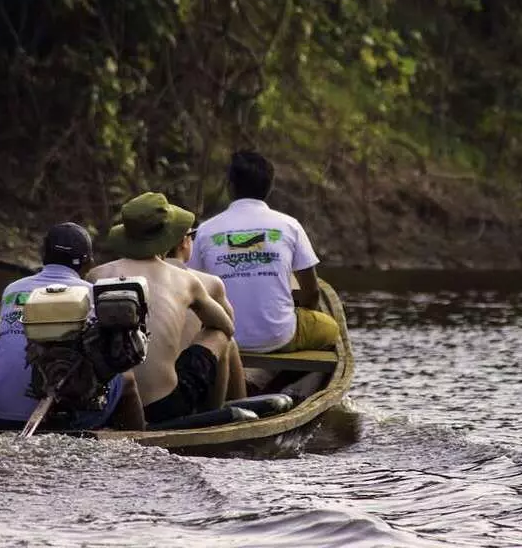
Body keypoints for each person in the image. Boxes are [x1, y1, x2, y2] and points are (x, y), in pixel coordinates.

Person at [187, 150, 340, 391]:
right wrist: (295, 309)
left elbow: (190, 288)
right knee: (331, 329)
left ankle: (238, 384)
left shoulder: (206, 230)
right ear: (269, 187)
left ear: (230, 186)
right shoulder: (289, 225)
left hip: (223, 335)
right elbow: (312, 293)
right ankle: (273, 387)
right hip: (279, 336)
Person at [87, 192, 242, 425]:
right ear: (169, 237)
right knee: (219, 336)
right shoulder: (186, 280)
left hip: (113, 401)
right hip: (164, 407)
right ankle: (211, 416)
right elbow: (227, 326)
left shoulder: (97, 275)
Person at [0, 222, 145, 431]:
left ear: (43, 255)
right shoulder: (93, 294)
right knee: (127, 379)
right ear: (88, 263)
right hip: (59, 420)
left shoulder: (12, 291)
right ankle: (139, 440)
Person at [165, 226, 246, 401]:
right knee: (225, 339)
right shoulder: (206, 281)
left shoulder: (121, 275)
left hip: (138, 381)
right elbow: (229, 326)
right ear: (184, 242)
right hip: (178, 387)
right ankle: (229, 407)